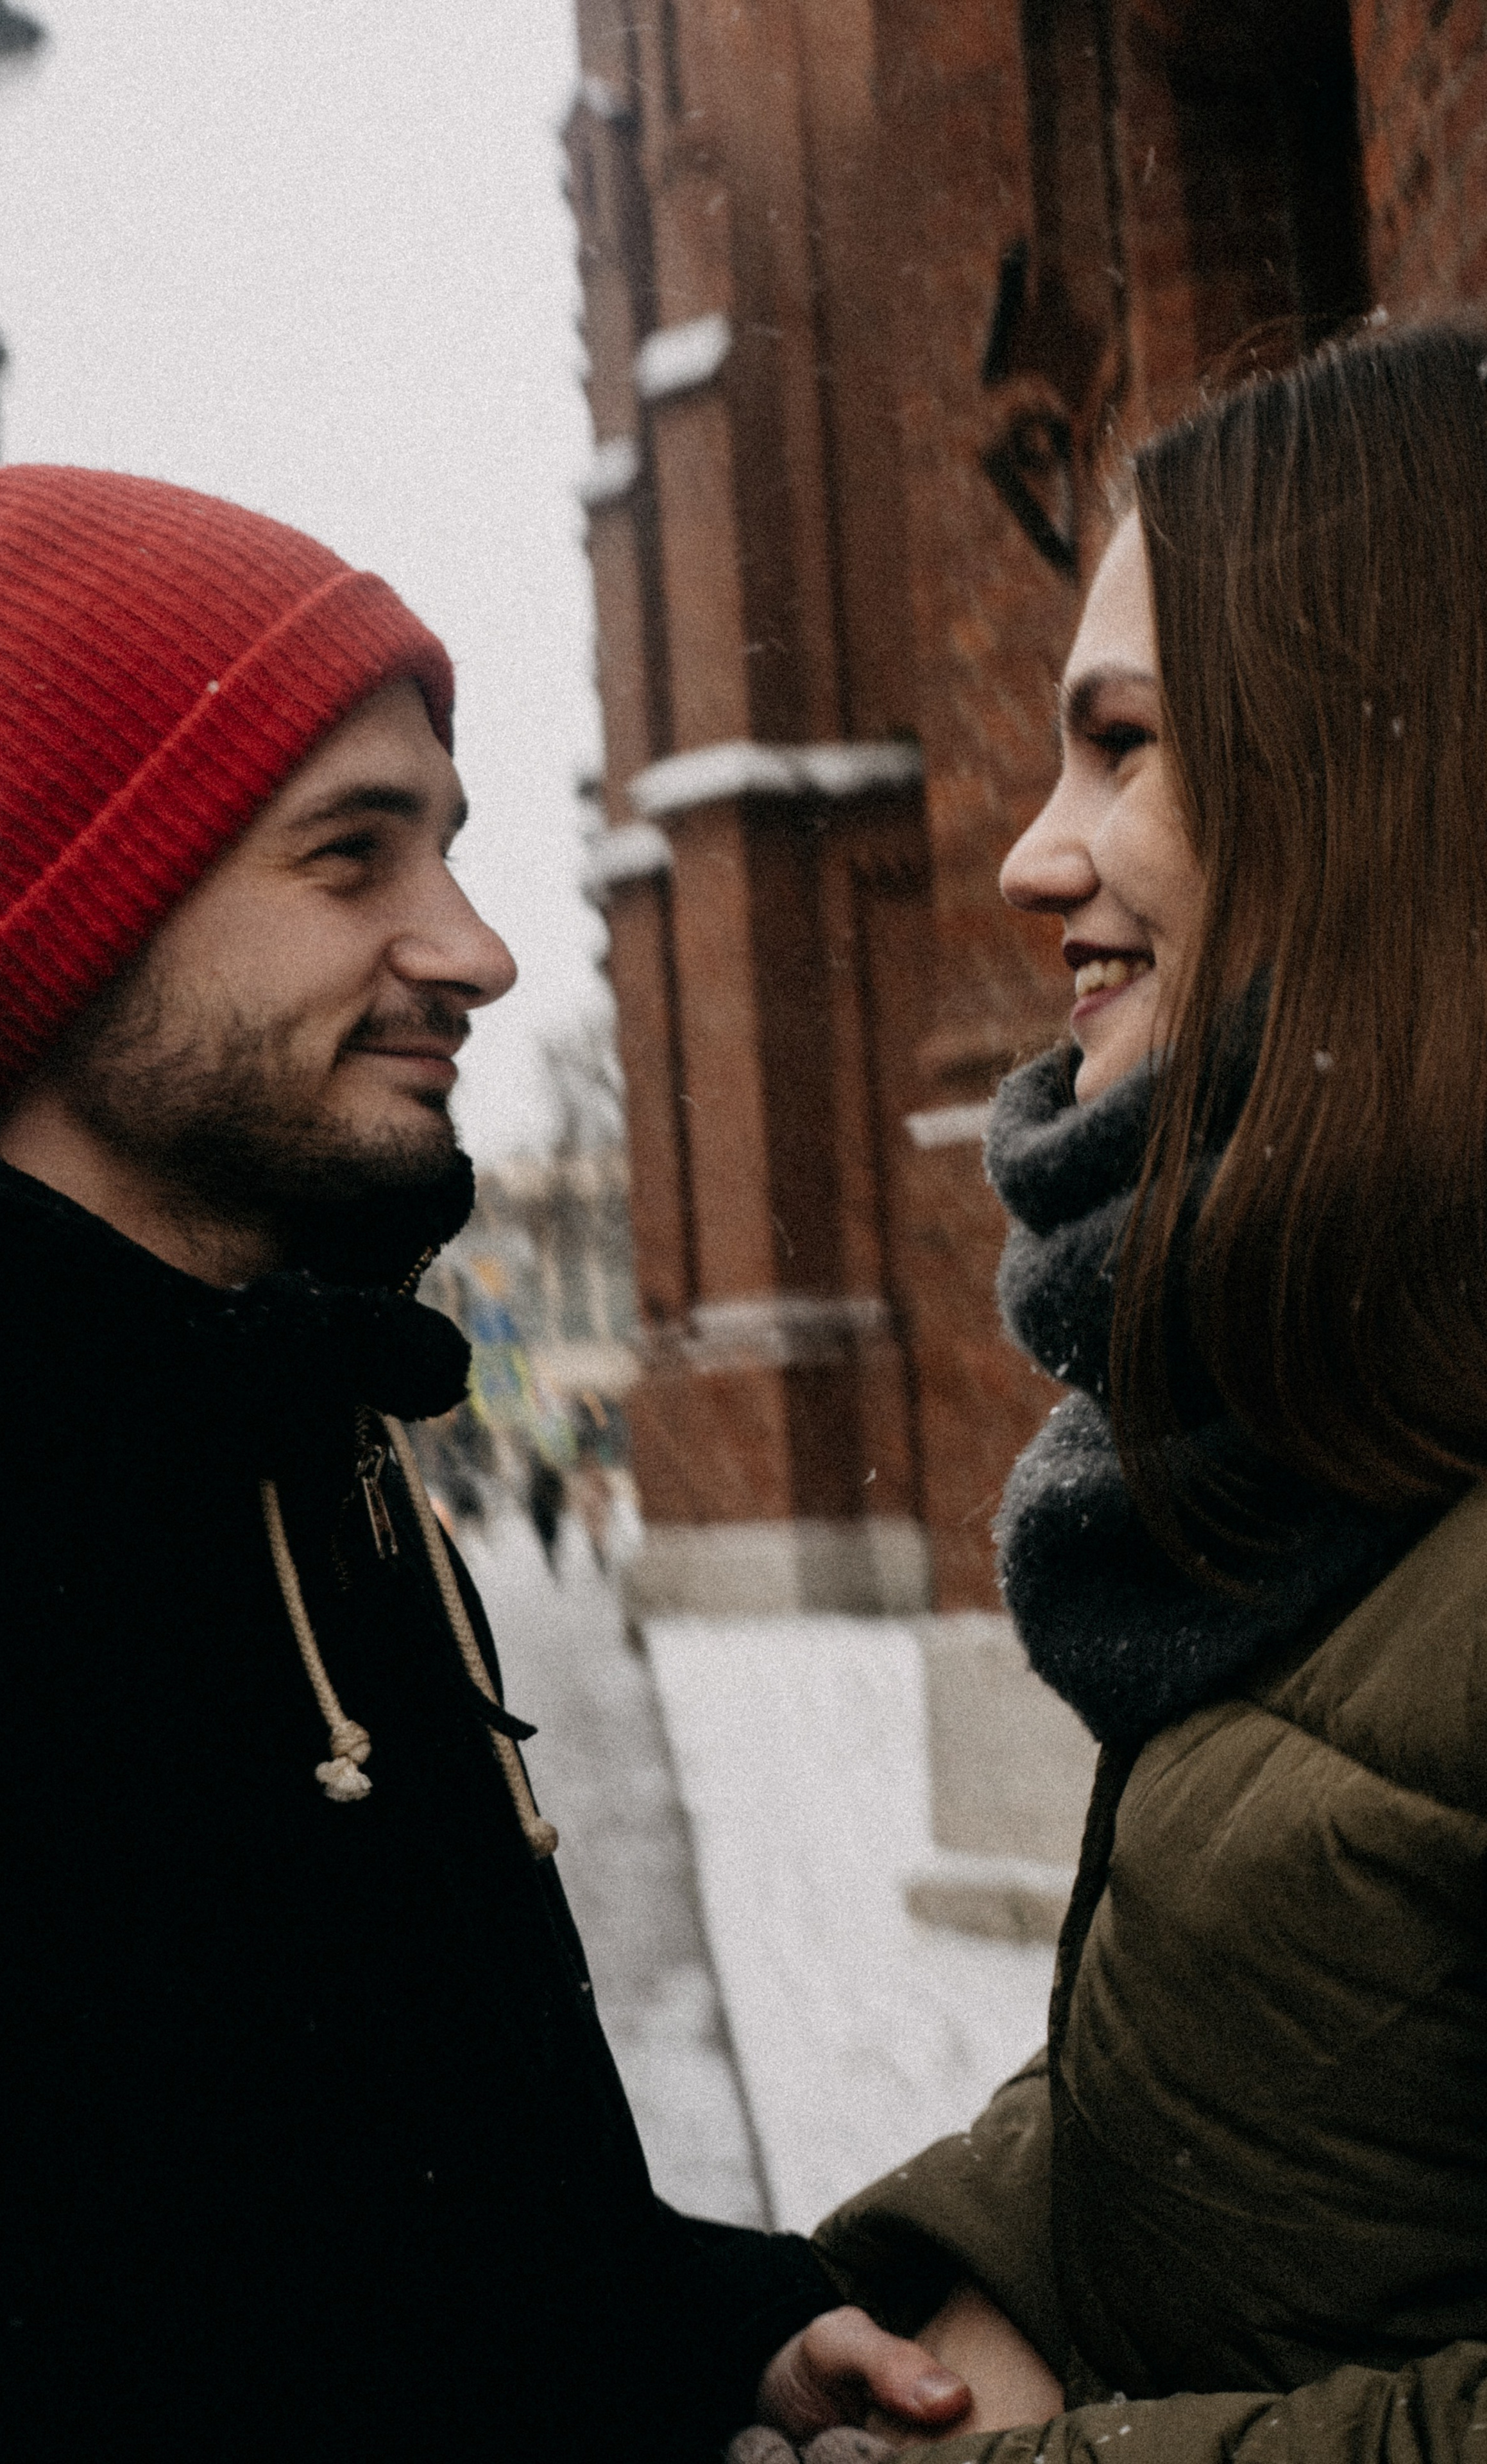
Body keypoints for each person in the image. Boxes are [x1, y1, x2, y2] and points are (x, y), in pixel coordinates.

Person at [0, 464, 964, 2460]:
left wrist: (718, 2337)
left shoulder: (306, 1446)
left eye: (446, 848)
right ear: (47, 916)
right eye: (352, 858)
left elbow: (405, 2240)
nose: (476, 951)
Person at [767, 319, 1487, 2461]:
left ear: (1379, 774)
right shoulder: (1316, 1396)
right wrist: (979, 2292)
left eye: (1125, 745)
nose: (1029, 855)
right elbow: (1254, 2038)